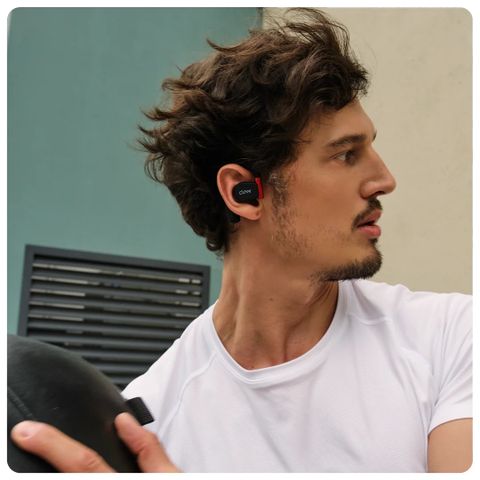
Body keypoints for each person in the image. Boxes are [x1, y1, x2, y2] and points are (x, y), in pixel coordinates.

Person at [10, 9, 472, 473]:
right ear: (243, 193)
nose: (384, 180)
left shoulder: (451, 338)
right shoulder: (152, 425)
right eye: (347, 154)